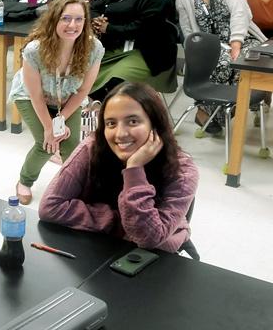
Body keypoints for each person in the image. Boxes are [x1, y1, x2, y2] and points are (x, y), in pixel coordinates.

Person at [39, 82, 199, 253]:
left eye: (133, 121)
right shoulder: (92, 147)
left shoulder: (183, 171)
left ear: (154, 123)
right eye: (111, 123)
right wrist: (119, 221)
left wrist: (134, 170)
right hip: (99, 247)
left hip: (158, 258)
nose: (120, 134)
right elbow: (50, 207)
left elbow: (148, 237)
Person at [9, 0, 104, 205]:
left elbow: (82, 91)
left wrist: (61, 120)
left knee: (72, 148)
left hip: (69, 98)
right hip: (32, 97)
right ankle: (24, 181)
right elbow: (35, 95)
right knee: (46, 144)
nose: (73, 25)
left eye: (79, 19)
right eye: (66, 18)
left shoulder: (93, 48)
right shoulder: (35, 50)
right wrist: (50, 128)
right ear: (54, 20)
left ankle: (71, 187)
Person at [171, 0, 266, 133]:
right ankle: (210, 112)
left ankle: (221, 111)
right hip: (213, 45)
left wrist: (236, 43)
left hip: (245, 38)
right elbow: (188, 31)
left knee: (242, 63)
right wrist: (196, 52)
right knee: (219, 63)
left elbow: (240, 12)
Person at [89, 0, 177, 100]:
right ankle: (98, 116)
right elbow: (92, 7)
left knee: (115, 83)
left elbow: (144, 30)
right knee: (85, 75)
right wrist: (96, 20)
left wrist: (108, 28)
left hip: (147, 53)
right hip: (115, 49)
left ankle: (116, 116)